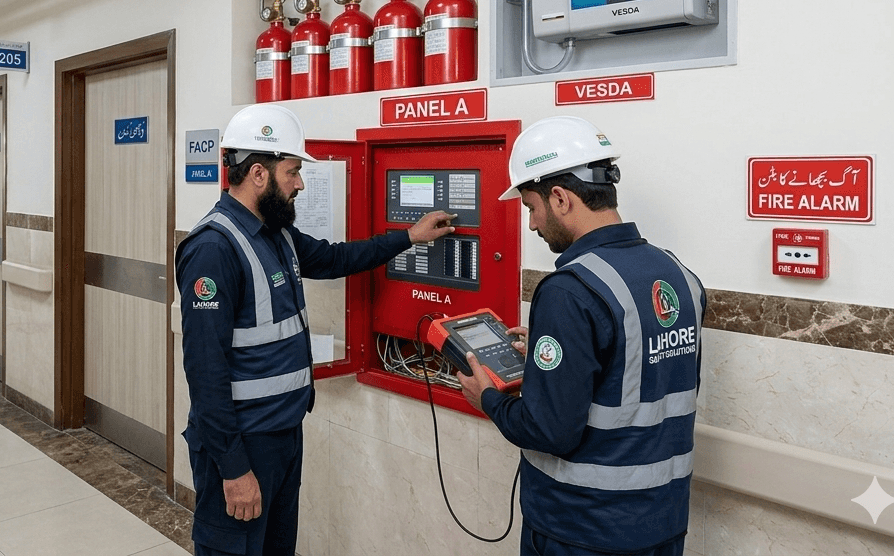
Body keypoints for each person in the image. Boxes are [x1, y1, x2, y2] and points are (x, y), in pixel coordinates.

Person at [176, 104, 456, 556]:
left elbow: (334, 259)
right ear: (259, 175)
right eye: (292, 172)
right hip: (243, 444)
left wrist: (409, 237)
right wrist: (233, 468)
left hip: (283, 433)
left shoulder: (276, 232)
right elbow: (205, 371)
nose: (300, 184)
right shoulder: (213, 248)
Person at [455, 116, 706, 556]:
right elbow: (633, 365)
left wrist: (487, 399)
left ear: (560, 198)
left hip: (582, 528)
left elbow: (550, 432)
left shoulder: (570, 290)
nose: (532, 225)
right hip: (663, 519)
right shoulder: (678, 274)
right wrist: (564, 348)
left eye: (531, 208)